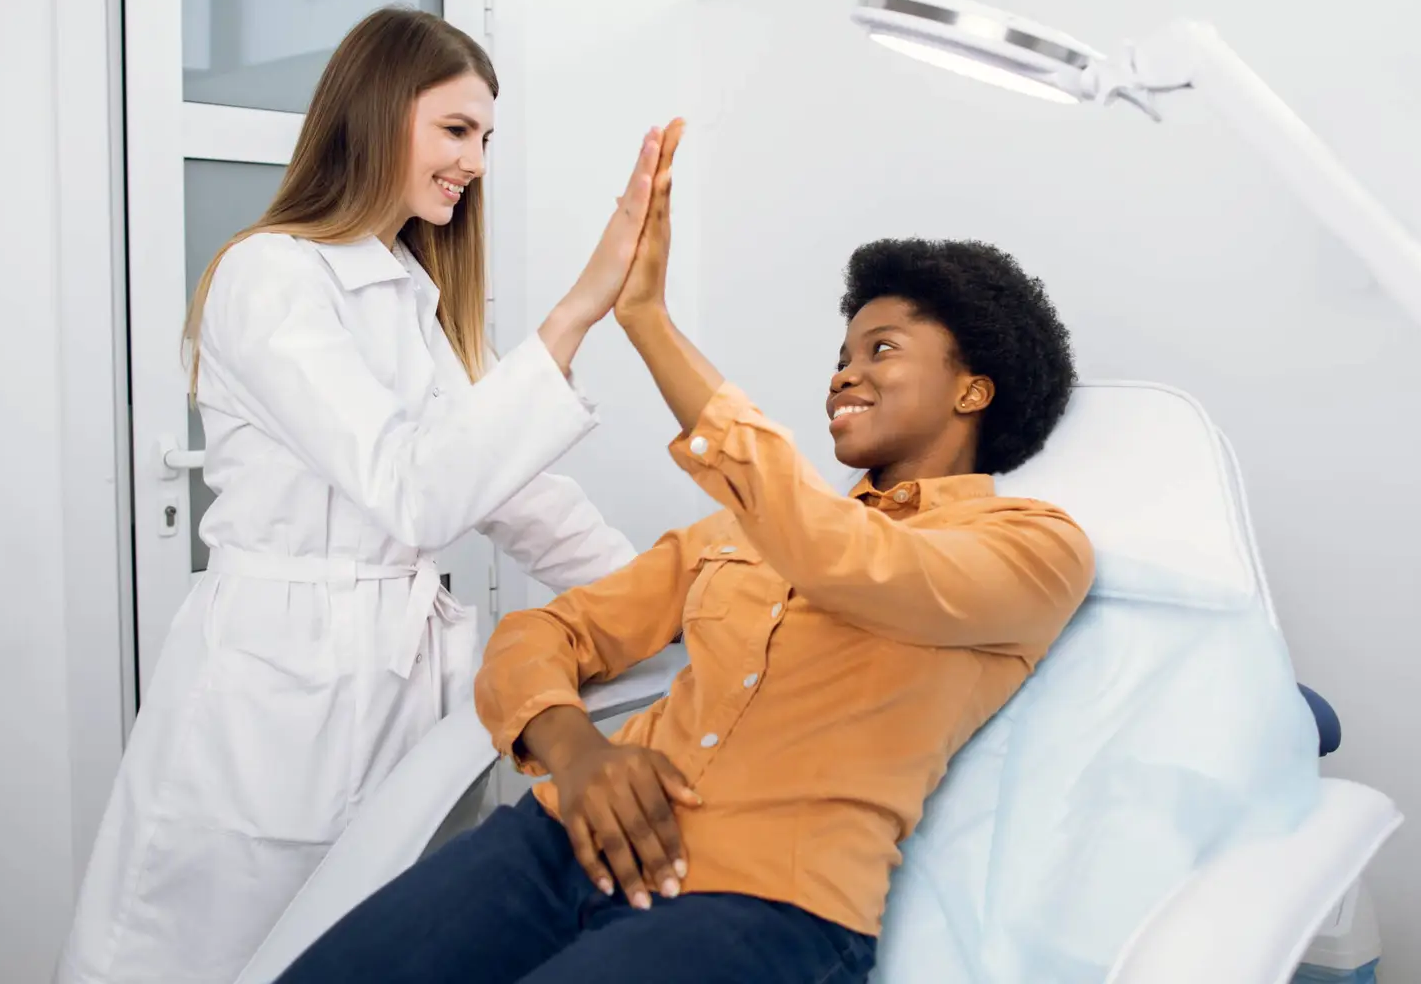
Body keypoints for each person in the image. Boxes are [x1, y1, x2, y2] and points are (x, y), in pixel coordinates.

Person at [277, 124, 1095, 984]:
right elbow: (547, 632)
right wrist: (577, 753)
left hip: (768, 907)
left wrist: (645, 322)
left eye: (881, 350)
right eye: (841, 355)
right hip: (562, 842)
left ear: (973, 388)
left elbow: (845, 562)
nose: (843, 374)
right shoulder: (740, 533)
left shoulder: (1035, 548)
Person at [56, 8, 677, 984]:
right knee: (212, 951)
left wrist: (683, 597)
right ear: (381, 114)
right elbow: (415, 494)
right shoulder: (272, 276)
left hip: (394, 686)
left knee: (362, 948)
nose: (474, 160)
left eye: (484, 139)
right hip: (278, 682)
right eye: (456, 130)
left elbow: (514, 492)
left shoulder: (405, 286)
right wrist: (575, 312)